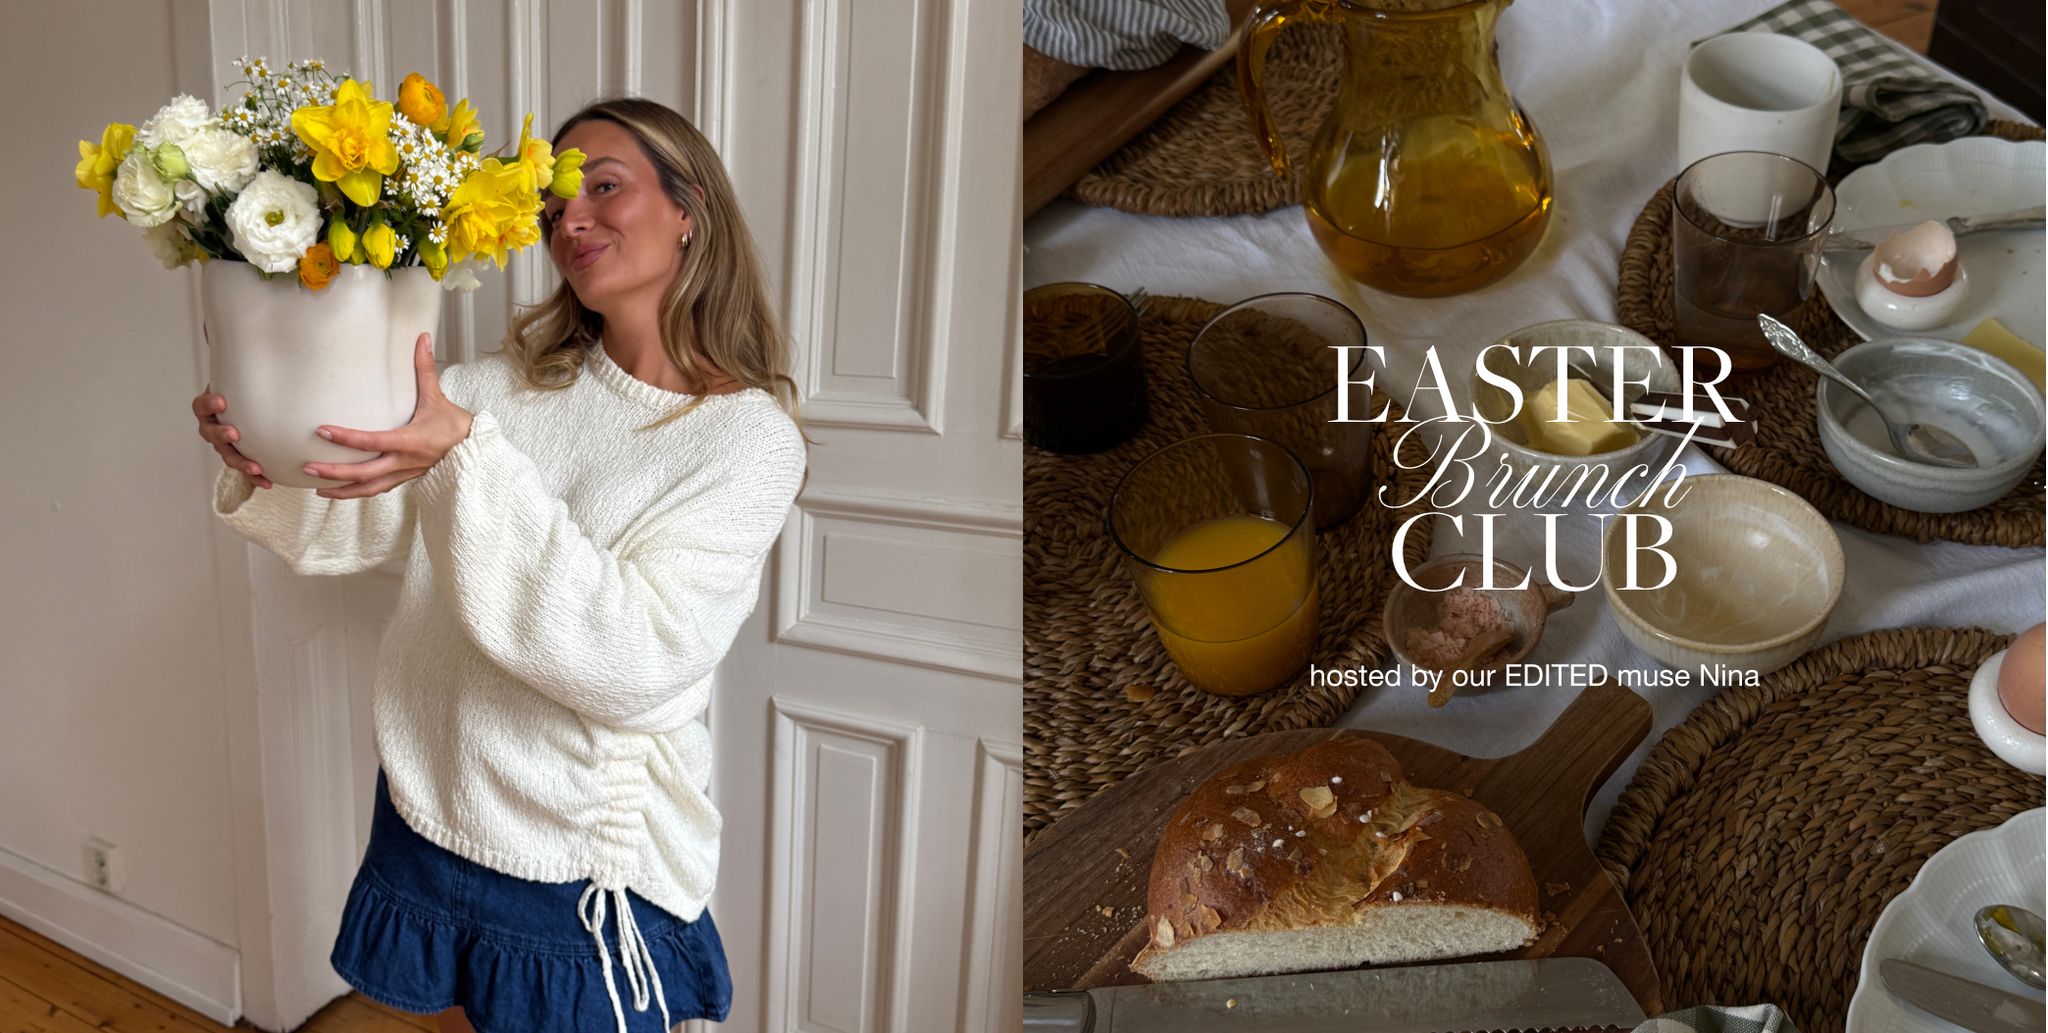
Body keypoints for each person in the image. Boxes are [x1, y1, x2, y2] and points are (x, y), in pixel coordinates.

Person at [192, 98, 806, 1033]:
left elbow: (637, 660)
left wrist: (467, 460)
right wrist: (264, 457)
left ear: (691, 207)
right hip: (432, 810)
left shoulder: (746, 440)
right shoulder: (493, 390)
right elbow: (341, 531)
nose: (574, 223)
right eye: (557, 209)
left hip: (573, 862)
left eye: (605, 187)